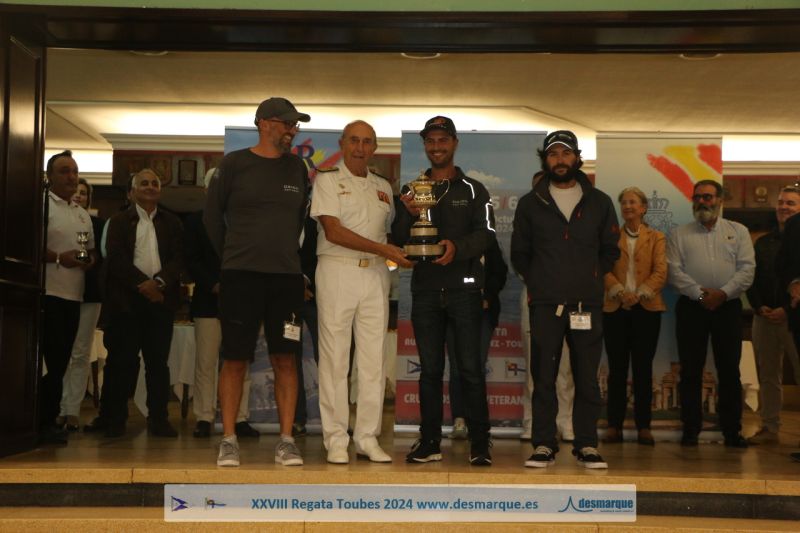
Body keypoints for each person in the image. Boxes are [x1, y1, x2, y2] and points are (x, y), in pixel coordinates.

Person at [204, 97, 310, 467]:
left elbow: (299, 222)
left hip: (286, 279)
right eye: (287, 123)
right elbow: (212, 219)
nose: (292, 130)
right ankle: (229, 439)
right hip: (240, 277)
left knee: (286, 358)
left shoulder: (297, 168)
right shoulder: (233, 164)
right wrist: (233, 257)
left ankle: (286, 441)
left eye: (295, 125)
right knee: (235, 358)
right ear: (264, 123)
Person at [510, 130, 619, 469]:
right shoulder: (531, 203)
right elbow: (520, 253)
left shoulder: (600, 202)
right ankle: (544, 444)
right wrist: (541, 283)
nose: (560, 160)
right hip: (546, 304)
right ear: (545, 159)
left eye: (566, 153)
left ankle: (587, 445)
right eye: (553, 154)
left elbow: (610, 250)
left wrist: (590, 279)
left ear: (577, 158)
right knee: (544, 377)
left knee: (586, 378)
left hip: (588, 304)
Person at [392, 116, 496, 466]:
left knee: (470, 369)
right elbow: (400, 238)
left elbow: (487, 234)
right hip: (425, 291)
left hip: (464, 290)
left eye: (443, 140)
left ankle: (480, 442)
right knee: (430, 371)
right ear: (425, 145)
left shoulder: (474, 190)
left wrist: (457, 248)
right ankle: (430, 441)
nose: (436, 147)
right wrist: (409, 214)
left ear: (454, 144)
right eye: (431, 141)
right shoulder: (412, 190)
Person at [312, 120, 411, 464]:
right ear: (342, 143)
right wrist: (385, 249)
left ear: (375, 148)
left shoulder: (382, 186)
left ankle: (367, 437)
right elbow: (334, 231)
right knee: (335, 359)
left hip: (376, 275)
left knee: (373, 360)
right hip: (337, 269)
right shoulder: (327, 180)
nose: (360, 147)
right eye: (354, 140)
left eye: (367, 142)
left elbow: (390, 232)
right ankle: (336, 438)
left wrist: (408, 241)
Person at [86, 168, 183, 438]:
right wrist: (144, 284)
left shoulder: (173, 223)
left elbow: (179, 259)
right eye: (144, 183)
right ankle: (113, 419)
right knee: (121, 362)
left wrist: (159, 283)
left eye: (154, 183)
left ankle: (159, 420)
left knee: (158, 364)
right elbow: (115, 258)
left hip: (160, 302)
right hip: (125, 302)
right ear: (131, 192)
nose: (150, 187)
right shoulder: (118, 221)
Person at [667, 179, 755, 448]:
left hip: (728, 308)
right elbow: (674, 271)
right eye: (698, 197)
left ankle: (732, 432)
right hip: (692, 308)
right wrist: (700, 294)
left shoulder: (738, 231)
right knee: (690, 371)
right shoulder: (679, 234)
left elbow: (747, 269)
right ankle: (690, 430)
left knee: (729, 371)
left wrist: (723, 293)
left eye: (708, 197)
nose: (702, 202)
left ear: (720, 200)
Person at [186, 169, 259, 440]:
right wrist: (213, 284)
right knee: (206, 363)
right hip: (208, 301)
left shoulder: (246, 219)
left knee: (241, 360)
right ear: (207, 190)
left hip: (242, 300)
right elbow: (191, 259)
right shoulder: (195, 221)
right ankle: (204, 417)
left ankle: (240, 418)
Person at [602, 186, 667, 446]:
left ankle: (644, 427)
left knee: (643, 369)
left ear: (643, 208)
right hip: (615, 309)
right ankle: (614, 426)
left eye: (632, 202)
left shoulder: (657, 237)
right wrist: (620, 292)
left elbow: (661, 271)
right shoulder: (610, 236)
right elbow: (603, 267)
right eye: (624, 203)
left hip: (646, 309)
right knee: (616, 370)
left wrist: (638, 294)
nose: (627, 206)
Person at [42, 151, 96, 444]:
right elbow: (27, 245)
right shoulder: (42, 206)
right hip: (47, 293)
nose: (71, 177)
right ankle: (37, 422)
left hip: (74, 296)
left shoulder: (82, 214)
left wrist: (89, 260)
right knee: (47, 361)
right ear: (49, 176)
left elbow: (89, 250)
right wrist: (58, 258)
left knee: (62, 360)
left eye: (74, 171)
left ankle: (51, 419)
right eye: (64, 171)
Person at [746, 185, 800, 445]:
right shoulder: (763, 242)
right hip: (763, 317)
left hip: (795, 318)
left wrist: (786, 310)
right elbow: (750, 278)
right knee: (768, 375)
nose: (784, 207)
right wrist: (759, 307)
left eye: (791, 203)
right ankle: (769, 426)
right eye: (781, 202)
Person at [446, 238, 507, 439]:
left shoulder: (488, 242)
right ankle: (459, 419)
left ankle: (477, 423)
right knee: (456, 367)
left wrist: (487, 297)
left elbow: (499, 272)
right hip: (453, 312)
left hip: (483, 313)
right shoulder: (452, 242)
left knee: (476, 366)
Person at [57, 178, 105, 432]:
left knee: (81, 352)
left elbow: (101, 257)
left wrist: (91, 260)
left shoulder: (97, 224)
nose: (78, 195)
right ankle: (58, 407)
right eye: (76, 191)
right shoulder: (59, 222)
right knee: (60, 351)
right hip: (60, 291)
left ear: (89, 198)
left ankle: (72, 410)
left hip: (90, 293)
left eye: (84, 193)